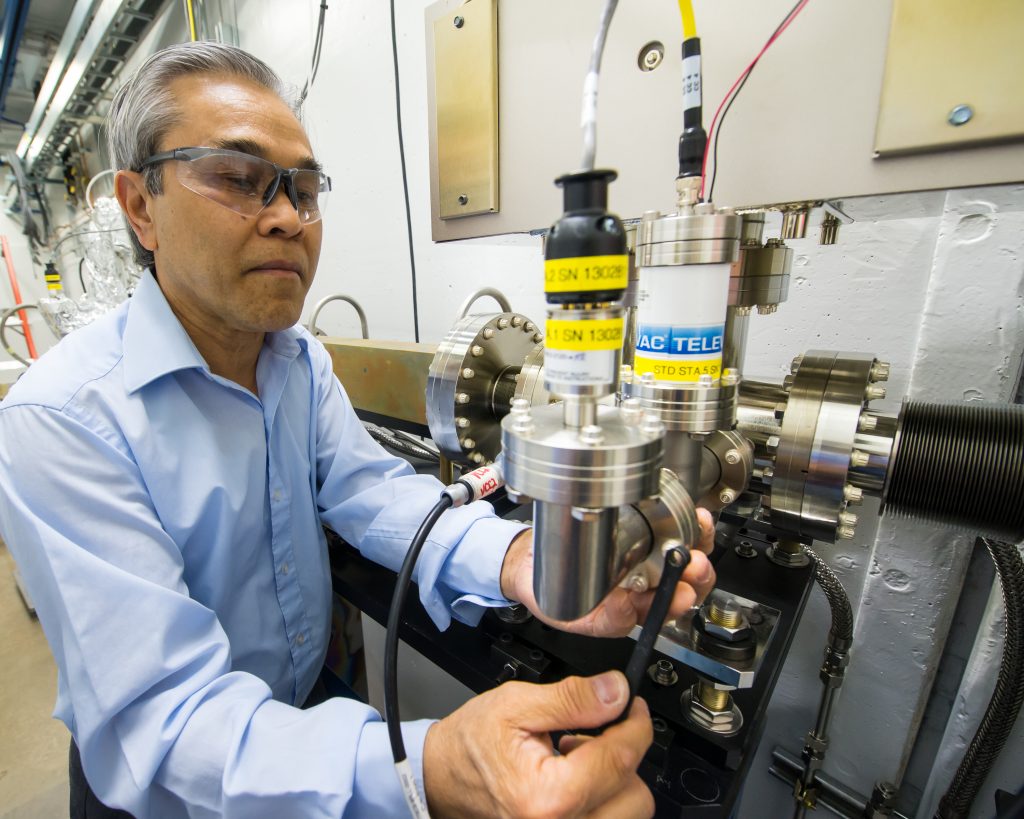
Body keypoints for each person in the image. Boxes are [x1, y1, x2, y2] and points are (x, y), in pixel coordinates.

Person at [0, 42, 715, 818]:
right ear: (141, 207)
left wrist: (522, 561)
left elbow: (371, 494)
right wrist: (431, 767)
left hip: (307, 717)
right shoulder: (63, 421)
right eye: (238, 178)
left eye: (303, 189)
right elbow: (166, 723)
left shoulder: (297, 362)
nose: (285, 217)